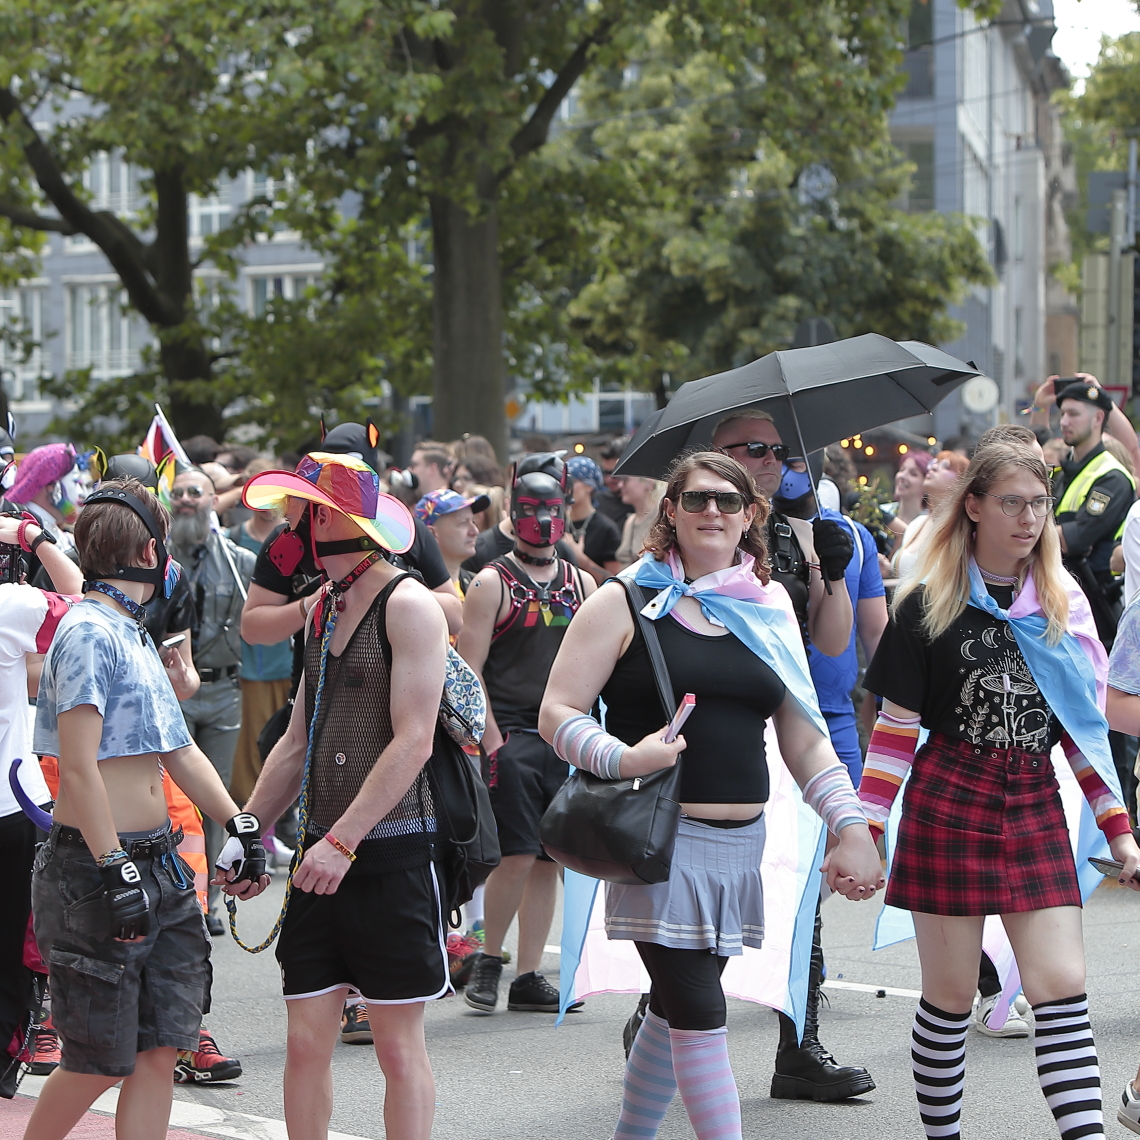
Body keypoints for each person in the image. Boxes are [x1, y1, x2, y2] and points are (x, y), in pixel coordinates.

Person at [539, 450, 882, 1140]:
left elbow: (806, 738)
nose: (712, 513)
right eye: (696, 500)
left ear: (751, 515)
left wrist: (849, 825)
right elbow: (557, 712)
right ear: (670, 511)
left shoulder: (769, 606)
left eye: (729, 502)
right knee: (700, 1017)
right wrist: (623, 755)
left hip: (738, 850)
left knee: (672, 1017)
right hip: (657, 846)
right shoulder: (626, 598)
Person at [859, 442, 1140, 1140]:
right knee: (950, 998)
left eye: (1039, 504)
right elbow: (894, 733)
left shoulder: (1060, 606)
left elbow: (1080, 732)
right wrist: (863, 831)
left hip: (1034, 801)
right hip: (949, 799)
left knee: (1061, 987)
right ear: (975, 507)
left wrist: (1120, 831)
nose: (1029, 518)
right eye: (1012, 502)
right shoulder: (926, 606)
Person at [24, 478, 267, 1140]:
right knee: (100, 1059)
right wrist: (112, 865)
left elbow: (178, 747)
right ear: (148, 549)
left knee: (163, 1045)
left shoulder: (132, 631)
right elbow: (78, 766)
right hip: (96, 872)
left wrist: (239, 822)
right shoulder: (86, 631)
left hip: (156, 863)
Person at [235, 454, 449, 1140]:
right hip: (317, 859)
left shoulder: (410, 603)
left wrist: (342, 840)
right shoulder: (321, 607)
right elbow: (298, 739)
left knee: (395, 1045)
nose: (287, 522)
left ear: (327, 519)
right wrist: (246, 829)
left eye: (298, 508)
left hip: (387, 858)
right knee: (304, 1041)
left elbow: (413, 741)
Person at [709, 408, 867, 1099]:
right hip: (717, 727)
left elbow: (833, 642)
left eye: (779, 450)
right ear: (718, 451)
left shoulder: (802, 525)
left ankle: (797, 1048)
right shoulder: (698, 524)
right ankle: (663, 1013)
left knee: (803, 892)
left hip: (791, 721)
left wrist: (828, 572)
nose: (772, 459)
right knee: (712, 889)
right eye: (754, 449)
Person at [457, 453, 595, 1014]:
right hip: (511, 736)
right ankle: (491, 959)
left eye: (552, 509)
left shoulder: (580, 582)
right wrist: (491, 740)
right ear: (515, 514)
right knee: (514, 856)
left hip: (563, 738)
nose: (543, 520)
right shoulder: (493, 582)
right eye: (532, 509)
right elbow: (467, 673)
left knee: (550, 860)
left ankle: (530, 974)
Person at [0, 513, 79, 1095]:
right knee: (9, 956)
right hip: (10, 804)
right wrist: (36, 538)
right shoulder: (12, 603)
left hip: (12, 801)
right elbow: (85, 606)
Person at [167, 467, 257, 934]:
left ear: (212, 501)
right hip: (173, 690)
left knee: (216, 794)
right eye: (177, 492)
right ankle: (180, 891)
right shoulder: (157, 559)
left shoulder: (240, 560)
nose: (184, 499)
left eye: (194, 492)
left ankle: (210, 899)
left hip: (224, 690)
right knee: (175, 795)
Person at [227, 499, 294, 808]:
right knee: (248, 753)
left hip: (286, 662)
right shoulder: (230, 541)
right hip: (246, 665)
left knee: (282, 744)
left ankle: (276, 822)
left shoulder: (295, 540)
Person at [892, 451, 970, 581]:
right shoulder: (917, 524)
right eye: (934, 463)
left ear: (962, 482)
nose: (933, 467)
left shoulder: (964, 529)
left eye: (945, 466)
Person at [414, 488, 490, 597]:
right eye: (463, 523)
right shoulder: (415, 592)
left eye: (473, 521)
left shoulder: (478, 586)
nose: (475, 531)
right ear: (431, 533)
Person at [562, 455, 622, 585]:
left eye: (572, 481)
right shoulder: (558, 522)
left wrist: (582, 560)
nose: (567, 487)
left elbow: (616, 580)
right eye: (564, 481)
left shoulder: (606, 528)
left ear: (589, 486)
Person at [615, 476, 664, 567]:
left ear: (648, 483)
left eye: (626, 480)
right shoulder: (630, 521)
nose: (620, 485)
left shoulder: (662, 518)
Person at [597, 438, 634, 530]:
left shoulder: (642, 503)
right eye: (605, 472)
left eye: (615, 474)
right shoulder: (598, 501)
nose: (609, 479)